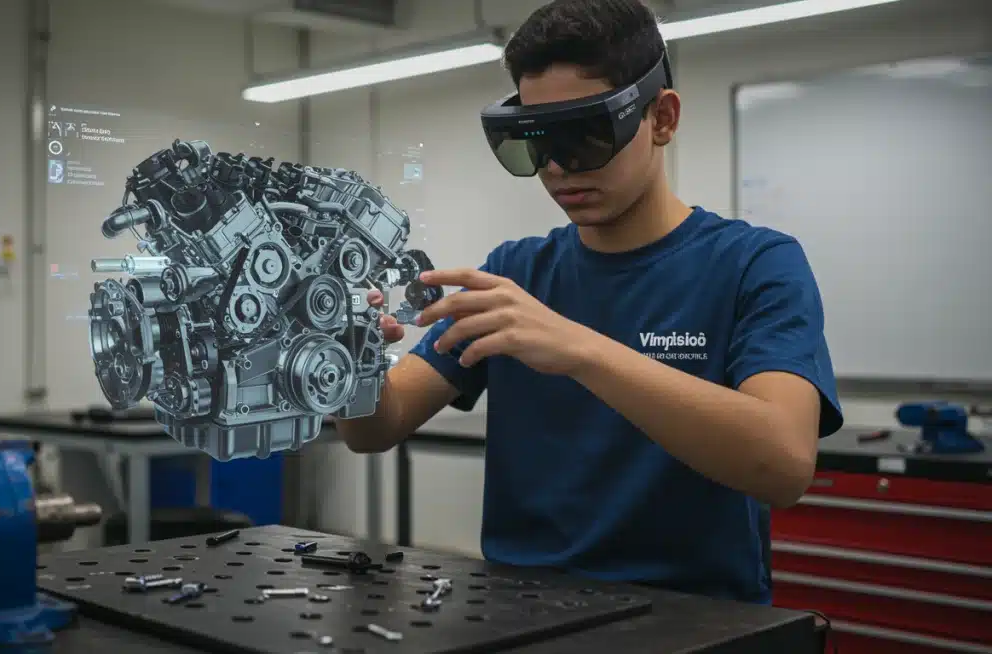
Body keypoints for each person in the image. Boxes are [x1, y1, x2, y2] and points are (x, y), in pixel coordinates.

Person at [334, 0, 843, 605]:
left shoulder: (754, 264)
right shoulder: (514, 273)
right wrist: (347, 356)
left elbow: (783, 464)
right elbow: (378, 428)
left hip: (695, 619)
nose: (557, 168)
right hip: (523, 611)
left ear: (662, 118)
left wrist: (578, 349)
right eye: (536, 141)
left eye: (583, 136)